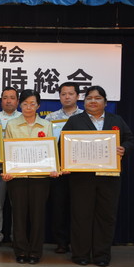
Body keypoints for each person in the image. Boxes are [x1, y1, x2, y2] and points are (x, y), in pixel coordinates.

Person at [62, 85, 134, 267]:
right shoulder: (75, 121)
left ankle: (101, 255)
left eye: (97, 98)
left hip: (109, 177)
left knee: (106, 216)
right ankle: (80, 255)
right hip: (82, 178)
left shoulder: (116, 120)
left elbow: (129, 140)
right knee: (81, 216)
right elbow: (62, 144)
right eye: (89, 98)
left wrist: (124, 148)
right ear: (84, 101)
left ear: (105, 102)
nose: (93, 101)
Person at [2, 89, 57, 264]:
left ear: (38, 106)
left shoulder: (46, 125)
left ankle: (35, 252)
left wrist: (53, 168)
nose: (28, 107)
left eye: (32, 104)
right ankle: (20, 251)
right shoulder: (12, 125)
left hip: (40, 178)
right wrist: (7, 170)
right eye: (25, 104)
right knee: (18, 215)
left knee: (37, 216)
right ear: (20, 105)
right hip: (17, 178)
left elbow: (51, 150)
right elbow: (7, 151)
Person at [45, 82, 83, 254]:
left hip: (80, 169)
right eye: (63, 94)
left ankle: (79, 242)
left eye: (71, 94)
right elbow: (45, 143)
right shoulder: (50, 118)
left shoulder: (85, 116)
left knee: (79, 207)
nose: (67, 97)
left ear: (78, 96)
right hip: (58, 169)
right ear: (59, 96)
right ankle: (61, 242)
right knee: (58, 207)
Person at [0, 87, 21, 249]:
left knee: (18, 206)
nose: (8, 101)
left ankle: (17, 237)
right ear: (0, 101)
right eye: (5, 98)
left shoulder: (23, 118)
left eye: (12, 98)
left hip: (18, 170)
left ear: (18, 101)